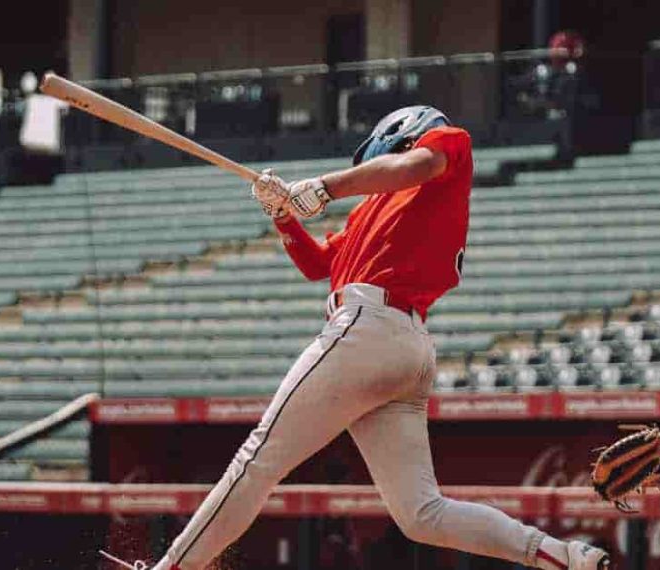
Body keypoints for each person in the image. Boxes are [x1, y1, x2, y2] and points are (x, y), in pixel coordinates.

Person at [146, 106, 610, 570]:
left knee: (256, 460)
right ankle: (563, 557)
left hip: (368, 329)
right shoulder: (374, 207)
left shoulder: (447, 143)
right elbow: (318, 265)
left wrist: (324, 187)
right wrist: (282, 215)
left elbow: (415, 166)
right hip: (402, 346)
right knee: (422, 513)